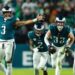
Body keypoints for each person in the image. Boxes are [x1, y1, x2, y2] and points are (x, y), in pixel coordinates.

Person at [0, 5, 43, 75]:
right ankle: (5, 72)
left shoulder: (13, 19)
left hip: (9, 42)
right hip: (0, 41)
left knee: (8, 61)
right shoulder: (0, 18)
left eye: (8, 12)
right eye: (5, 12)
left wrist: (35, 19)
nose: (7, 14)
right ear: (3, 13)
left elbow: (24, 23)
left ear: (11, 12)